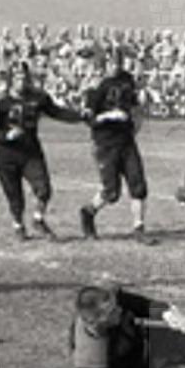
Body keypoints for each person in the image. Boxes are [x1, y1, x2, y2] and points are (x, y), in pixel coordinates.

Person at [0, 63, 85, 240]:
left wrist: (80, 116)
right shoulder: (0, 101)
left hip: (30, 151)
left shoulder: (37, 97)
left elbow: (57, 112)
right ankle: (18, 225)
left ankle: (38, 219)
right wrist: (6, 135)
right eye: (17, 77)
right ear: (10, 79)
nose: (21, 81)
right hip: (6, 154)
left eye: (24, 77)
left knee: (44, 188)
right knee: (15, 197)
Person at [79, 50, 151, 243]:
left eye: (118, 63)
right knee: (111, 192)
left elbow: (134, 105)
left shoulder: (127, 80)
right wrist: (108, 116)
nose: (115, 67)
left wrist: (139, 106)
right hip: (105, 142)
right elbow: (88, 118)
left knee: (138, 185)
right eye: (112, 63)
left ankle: (139, 228)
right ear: (105, 64)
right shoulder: (97, 85)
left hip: (126, 140)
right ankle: (88, 212)